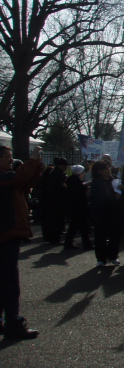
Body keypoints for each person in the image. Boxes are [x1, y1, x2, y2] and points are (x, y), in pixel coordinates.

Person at [0, 145, 42, 339]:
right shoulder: (5, 178)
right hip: (6, 234)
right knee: (9, 282)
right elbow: (21, 177)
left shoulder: (9, 177)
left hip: (9, 234)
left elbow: (29, 180)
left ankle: (7, 320)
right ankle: (13, 323)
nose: (11, 160)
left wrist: (37, 163)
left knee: (5, 281)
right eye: (8, 157)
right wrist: (33, 159)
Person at [90, 161, 122, 266]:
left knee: (115, 236)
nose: (108, 171)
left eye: (108, 169)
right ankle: (101, 258)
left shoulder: (113, 179)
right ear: (100, 171)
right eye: (106, 169)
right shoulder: (96, 182)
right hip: (101, 213)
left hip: (114, 212)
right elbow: (99, 198)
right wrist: (114, 197)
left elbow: (120, 189)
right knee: (100, 237)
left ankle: (113, 256)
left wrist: (121, 190)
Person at [63, 165, 93, 250]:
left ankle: (69, 243)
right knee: (82, 227)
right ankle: (86, 244)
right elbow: (79, 192)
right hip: (78, 207)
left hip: (74, 207)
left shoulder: (71, 180)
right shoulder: (76, 182)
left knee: (74, 227)